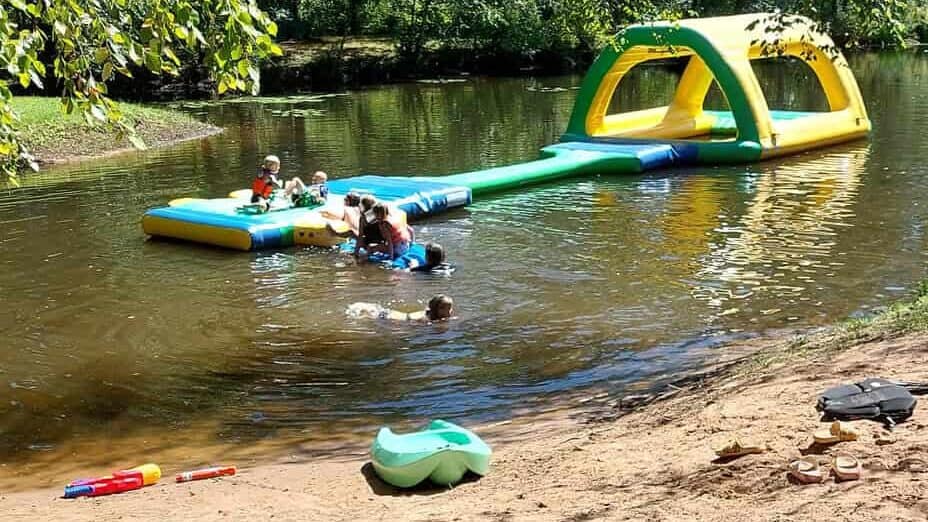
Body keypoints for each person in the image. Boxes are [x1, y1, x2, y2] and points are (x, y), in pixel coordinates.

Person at [346, 295, 454, 322]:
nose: (450, 311)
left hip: (392, 314)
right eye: (448, 309)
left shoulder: (430, 314)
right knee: (366, 315)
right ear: (438, 310)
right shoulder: (426, 319)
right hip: (389, 317)